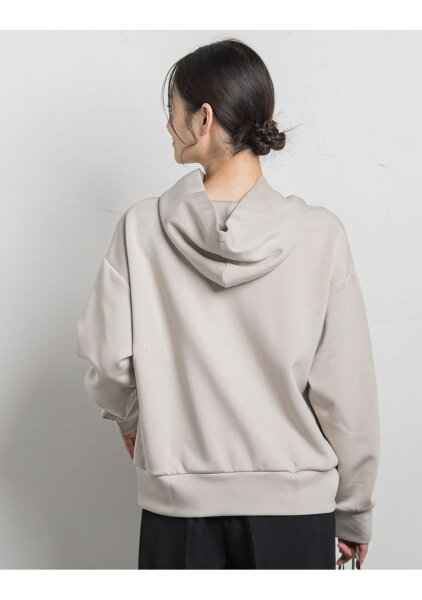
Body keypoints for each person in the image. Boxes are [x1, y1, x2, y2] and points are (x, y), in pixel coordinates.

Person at [76, 38, 380, 569]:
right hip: (296, 513)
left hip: (179, 510)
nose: (168, 124)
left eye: (172, 110)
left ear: (204, 119)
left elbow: (107, 360)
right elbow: (346, 395)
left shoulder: (140, 229)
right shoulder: (320, 235)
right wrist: (353, 512)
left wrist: (131, 421)